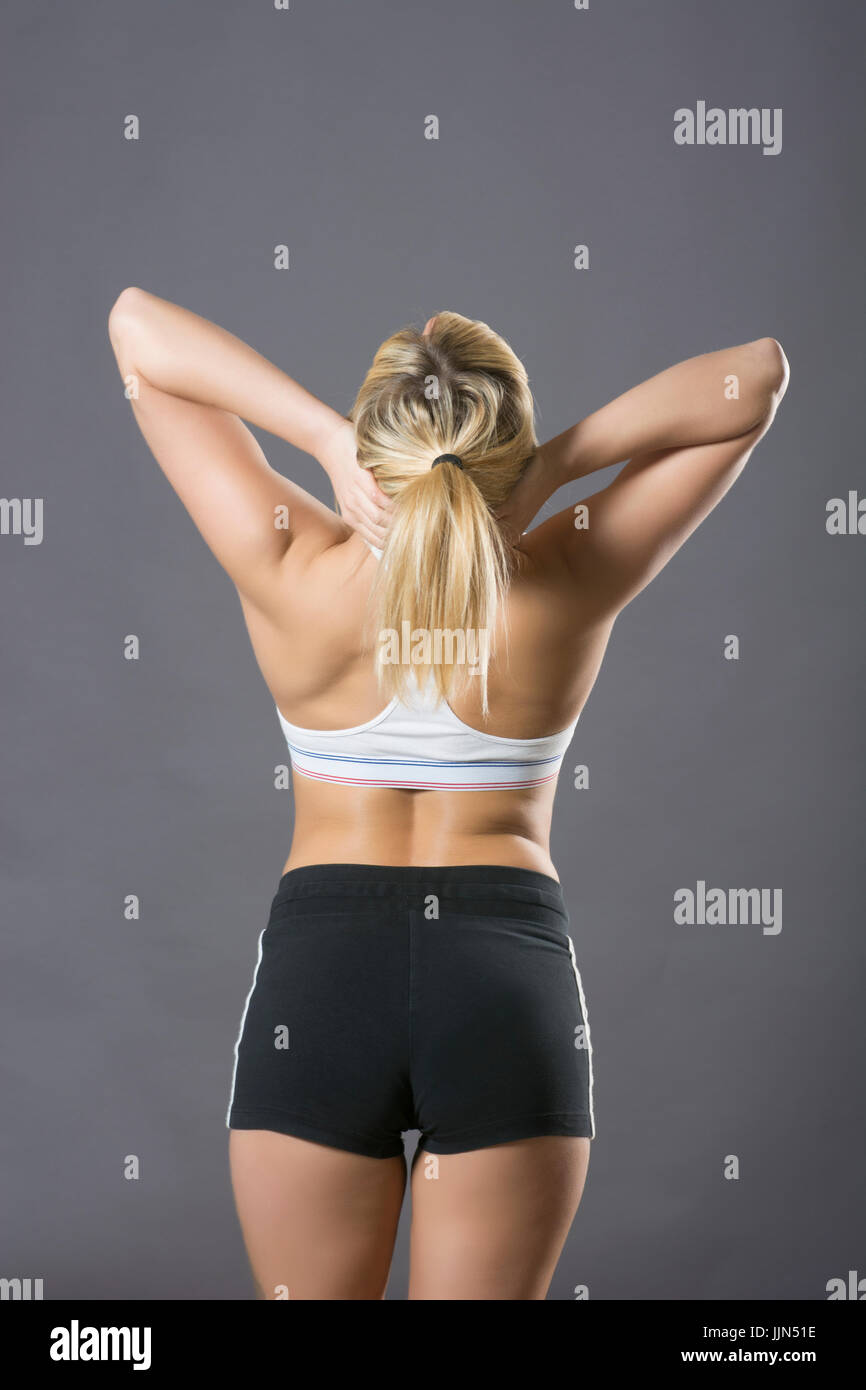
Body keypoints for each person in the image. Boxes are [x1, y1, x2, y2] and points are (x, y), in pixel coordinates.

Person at [107, 290, 789, 1298]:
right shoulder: (568, 569)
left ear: (373, 454)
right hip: (503, 985)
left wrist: (320, 439)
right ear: (501, 459)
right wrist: (552, 466)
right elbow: (755, 376)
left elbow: (135, 329)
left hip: (321, 983)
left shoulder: (287, 558)